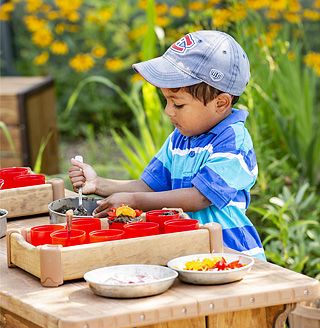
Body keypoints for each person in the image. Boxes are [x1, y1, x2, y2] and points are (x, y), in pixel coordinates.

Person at [69, 30, 265, 260]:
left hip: (230, 255)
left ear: (220, 103)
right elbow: (149, 187)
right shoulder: (180, 138)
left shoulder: (233, 141)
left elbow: (198, 198)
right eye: (166, 101)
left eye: (178, 104)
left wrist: (134, 202)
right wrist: (99, 183)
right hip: (187, 251)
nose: (168, 111)